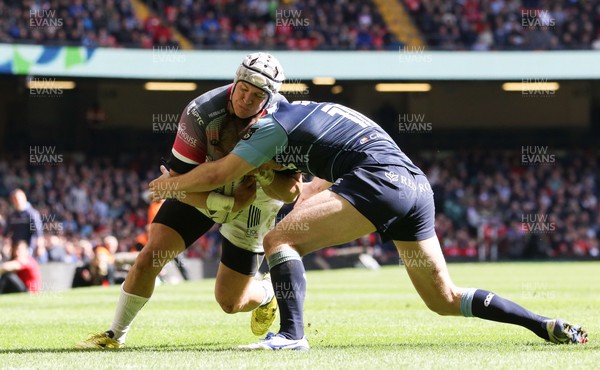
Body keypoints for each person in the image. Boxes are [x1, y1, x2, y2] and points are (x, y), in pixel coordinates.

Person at [149, 100, 588, 350]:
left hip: (377, 181)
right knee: (444, 299)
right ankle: (542, 324)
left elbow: (218, 174)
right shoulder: (316, 116)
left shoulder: (271, 128)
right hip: (414, 187)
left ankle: (290, 335)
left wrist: (171, 185)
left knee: (279, 237)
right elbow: (302, 188)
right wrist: (287, 191)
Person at [76, 53, 301, 349]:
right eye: (243, 89)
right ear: (235, 81)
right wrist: (226, 203)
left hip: (256, 199)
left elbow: (291, 192)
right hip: (204, 188)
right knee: (148, 257)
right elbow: (175, 187)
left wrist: (265, 174)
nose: (246, 99)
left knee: (231, 302)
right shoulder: (201, 112)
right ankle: (114, 335)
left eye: (257, 95)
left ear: (269, 98)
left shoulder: (284, 119)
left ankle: (266, 293)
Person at [3, 189, 45, 261]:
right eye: (14, 199)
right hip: (15, 249)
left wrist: (40, 247)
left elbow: (38, 233)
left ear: (24, 198)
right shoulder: (12, 215)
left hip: (28, 249)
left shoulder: (32, 214)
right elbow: (6, 233)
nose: (17, 201)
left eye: (18, 198)